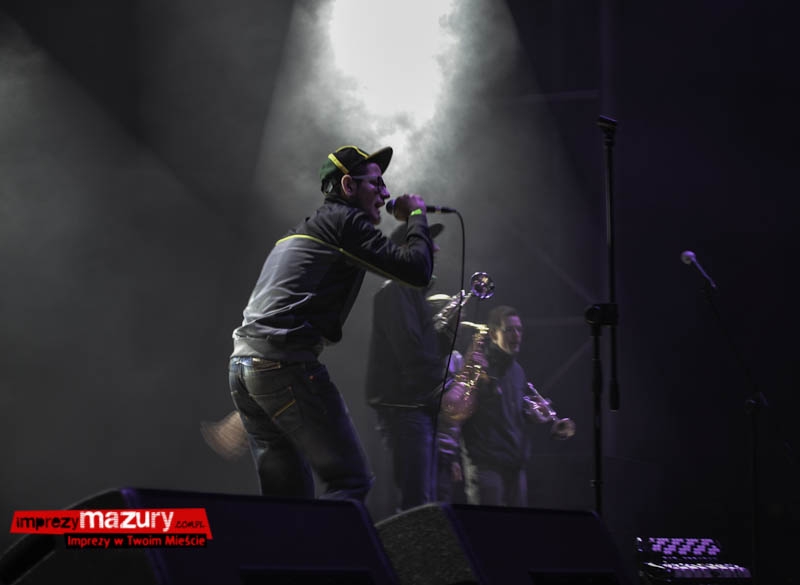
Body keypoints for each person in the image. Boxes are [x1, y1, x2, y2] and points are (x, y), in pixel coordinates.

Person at [227, 144, 435, 502]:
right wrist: (416, 214)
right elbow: (417, 271)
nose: (386, 194)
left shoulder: (300, 232)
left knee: (286, 501)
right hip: (282, 366)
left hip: (245, 368)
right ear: (348, 186)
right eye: (376, 183)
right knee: (350, 481)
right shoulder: (345, 222)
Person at [364, 222, 453, 512]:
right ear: (407, 250)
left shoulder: (411, 294)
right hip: (406, 410)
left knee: (426, 503)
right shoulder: (396, 291)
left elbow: (417, 349)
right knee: (417, 506)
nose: (435, 249)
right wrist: (444, 387)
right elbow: (409, 351)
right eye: (427, 244)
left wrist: (444, 336)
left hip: (417, 409)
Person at [439, 305, 540, 507]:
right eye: (509, 330)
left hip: (515, 464)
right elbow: (458, 412)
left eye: (519, 329)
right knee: (488, 523)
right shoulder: (478, 366)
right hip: (486, 465)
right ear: (493, 334)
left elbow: (511, 414)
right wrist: (453, 458)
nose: (516, 335)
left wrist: (531, 414)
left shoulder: (517, 370)